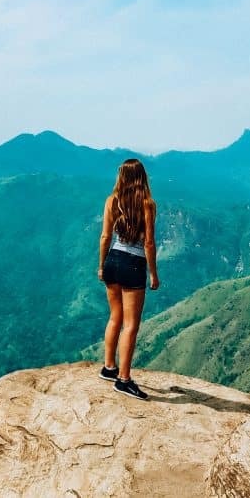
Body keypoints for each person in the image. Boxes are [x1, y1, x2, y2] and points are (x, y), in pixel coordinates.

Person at [97, 158, 159, 400]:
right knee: (131, 325)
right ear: (142, 177)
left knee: (115, 316)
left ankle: (109, 367)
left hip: (112, 260)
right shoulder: (147, 204)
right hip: (133, 265)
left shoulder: (111, 201)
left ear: (121, 176)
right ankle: (123, 380)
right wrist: (153, 273)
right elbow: (149, 243)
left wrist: (102, 266)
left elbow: (104, 236)